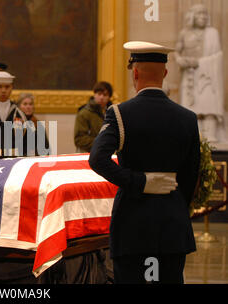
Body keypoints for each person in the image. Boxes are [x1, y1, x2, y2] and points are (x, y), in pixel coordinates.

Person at [89, 41, 201, 284]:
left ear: (135, 72)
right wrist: (176, 204)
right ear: (166, 73)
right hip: (172, 224)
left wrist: (139, 182)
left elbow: (97, 159)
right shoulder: (188, 118)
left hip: (133, 223)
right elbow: (192, 174)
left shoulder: (120, 113)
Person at [176, 4, 225, 143]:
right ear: (192, 16)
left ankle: (210, 134)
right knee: (192, 109)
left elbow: (218, 56)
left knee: (209, 105)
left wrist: (200, 63)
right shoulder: (185, 33)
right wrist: (181, 60)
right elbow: (177, 52)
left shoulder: (212, 33)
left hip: (208, 76)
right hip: (190, 76)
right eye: (199, 14)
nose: (203, 17)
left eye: (205, 14)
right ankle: (194, 133)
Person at [74, 81, 113, 153]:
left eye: (105, 95)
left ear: (109, 97)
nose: (101, 97)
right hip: (88, 154)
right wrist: (101, 143)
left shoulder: (112, 113)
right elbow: (79, 139)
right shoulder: (84, 113)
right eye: (99, 94)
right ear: (94, 95)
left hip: (107, 153)